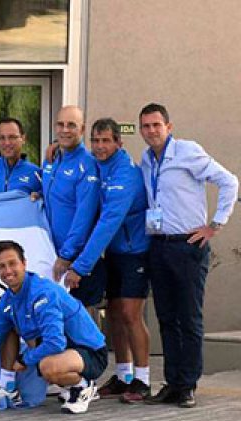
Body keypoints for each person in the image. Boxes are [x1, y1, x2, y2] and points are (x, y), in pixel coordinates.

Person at [138, 103, 238, 408]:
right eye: (146, 126)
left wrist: (215, 225)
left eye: (157, 125)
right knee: (166, 318)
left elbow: (229, 181)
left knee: (189, 317)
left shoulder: (187, 152)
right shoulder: (145, 159)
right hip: (158, 245)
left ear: (169, 127)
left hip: (187, 246)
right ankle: (173, 382)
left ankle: (188, 384)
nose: (152, 131)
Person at [0, 240, 108, 414]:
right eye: (1, 266)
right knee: (6, 327)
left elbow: (55, 343)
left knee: (48, 367)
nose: (8, 271)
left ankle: (83, 386)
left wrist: (25, 360)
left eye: (12, 264)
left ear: (24, 263)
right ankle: (7, 387)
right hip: (58, 351)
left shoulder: (43, 293)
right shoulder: (7, 302)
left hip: (90, 352)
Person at [64, 118, 151, 402]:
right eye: (96, 141)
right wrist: (57, 149)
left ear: (118, 143)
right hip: (113, 253)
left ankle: (142, 379)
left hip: (135, 252)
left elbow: (107, 224)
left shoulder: (125, 174)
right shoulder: (96, 165)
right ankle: (123, 375)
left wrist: (80, 266)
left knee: (130, 314)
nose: (100, 147)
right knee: (113, 313)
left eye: (106, 141)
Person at [41, 106, 102, 308]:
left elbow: (84, 216)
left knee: (79, 330)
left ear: (82, 129)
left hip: (73, 260)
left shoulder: (87, 165)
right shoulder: (52, 159)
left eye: (71, 125)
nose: (65, 130)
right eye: (61, 124)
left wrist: (67, 255)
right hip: (51, 256)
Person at [0, 117, 42, 202]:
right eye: (2, 138)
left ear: (23, 139)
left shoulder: (36, 174)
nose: (7, 143)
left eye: (12, 137)